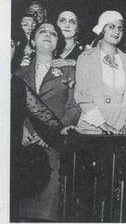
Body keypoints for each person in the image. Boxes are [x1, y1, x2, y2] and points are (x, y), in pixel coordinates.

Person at [14, 21, 80, 221]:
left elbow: (74, 107)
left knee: (47, 212)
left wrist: (53, 134)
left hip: (54, 146)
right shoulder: (18, 72)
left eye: (53, 33)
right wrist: (25, 131)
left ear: (58, 42)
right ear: (33, 40)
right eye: (42, 31)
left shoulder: (69, 71)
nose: (47, 35)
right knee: (21, 211)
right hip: (25, 144)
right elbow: (14, 108)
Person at [75, 10, 126, 135]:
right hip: (91, 131)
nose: (117, 32)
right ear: (102, 29)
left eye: (120, 28)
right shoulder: (86, 58)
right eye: (111, 27)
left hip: (119, 133)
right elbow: (82, 95)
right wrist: (102, 124)